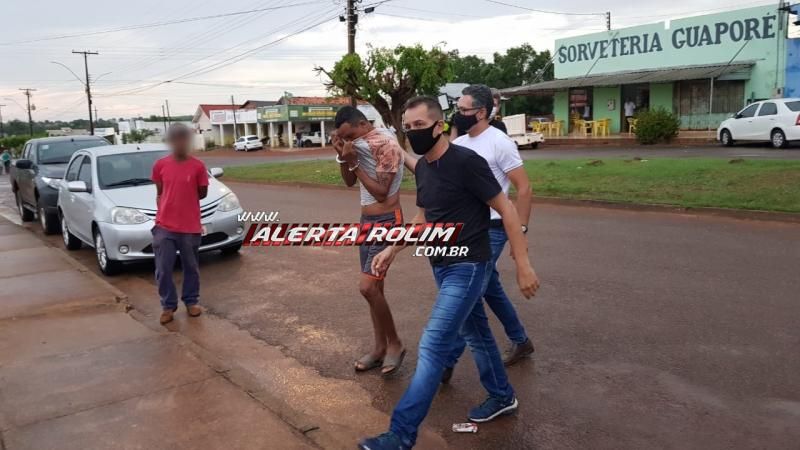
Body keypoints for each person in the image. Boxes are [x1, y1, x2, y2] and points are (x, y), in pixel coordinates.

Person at [359, 96, 540, 450]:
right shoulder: (425, 168)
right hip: (441, 264)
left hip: (469, 264)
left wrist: (523, 263)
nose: (414, 133)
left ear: (439, 126)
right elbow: (423, 218)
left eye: (419, 126)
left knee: (434, 344)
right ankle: (503, 396)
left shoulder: (466, 161)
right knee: (477, 335)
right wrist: (393, 248)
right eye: (408, 128)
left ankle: (400, 435)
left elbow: (505, 209)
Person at [404, 84, 535, 374]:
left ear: (481, 112)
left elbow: (523, 188)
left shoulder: (499, 142)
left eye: (464, 110)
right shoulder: (461, 143)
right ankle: (519, 339)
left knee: (469, 293)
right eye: (457, 109)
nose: (458, 114)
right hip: (467, 224)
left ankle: (447, 359)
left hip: (494, 226)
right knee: (486, 287)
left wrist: (520, 234)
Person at [332, 106, 406, 377]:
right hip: (366, 223)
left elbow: (382, 192)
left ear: (363, 124)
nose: (350, 141)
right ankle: (378, 348)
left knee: (367, 288)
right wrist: (342, 156)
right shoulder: (357, 146)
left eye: (350, 135)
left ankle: (395, 344)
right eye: (344, 137)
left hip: (387, 221)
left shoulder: (385, 144)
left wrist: (352, 161)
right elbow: (351, 183)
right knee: (376, 290)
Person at [151, 123, 209, 325]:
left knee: (191, 267)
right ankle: (168, 306)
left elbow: (202, 193)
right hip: (164, 226)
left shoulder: (198, 166)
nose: (180, 142)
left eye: (184, 138)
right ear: (171, 141)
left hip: (190, 227)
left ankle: (191, 301)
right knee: (164, 268)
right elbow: (160, 191)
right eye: (176, 138)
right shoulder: (160, 165)